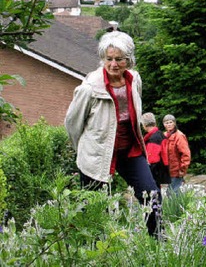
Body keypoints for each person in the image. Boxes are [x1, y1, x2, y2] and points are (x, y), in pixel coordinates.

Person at [64, 30, 161, 236]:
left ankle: (157, 240)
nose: (113, 64)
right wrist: (83, 151)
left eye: (119, 59)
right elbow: (72, 123)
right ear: (102, 59)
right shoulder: (90, 88)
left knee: (151, 194)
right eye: (109, 59)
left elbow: (136, 110)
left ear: (129, 60)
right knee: (96, 209)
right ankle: (98, 253)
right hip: (97, 154)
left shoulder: (134, 80)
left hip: (129, 149)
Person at [141, 112, 170, 190]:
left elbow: (152, 160)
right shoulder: (159, 134)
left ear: (144, 125)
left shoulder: (153, 138)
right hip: (160, 169)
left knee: (154, 192)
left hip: (155, 172)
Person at [162, 114, 191, 193]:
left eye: (170, 122)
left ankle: (179, 205)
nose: (168, 124)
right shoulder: (164, 135)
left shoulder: (179, 136)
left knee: (172, 193)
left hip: (177, 170)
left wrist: (183, 169)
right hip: (168, 170)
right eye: (166, 123)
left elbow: (186, 154)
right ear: (163, 124)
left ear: (174, 123)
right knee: (172, 192)